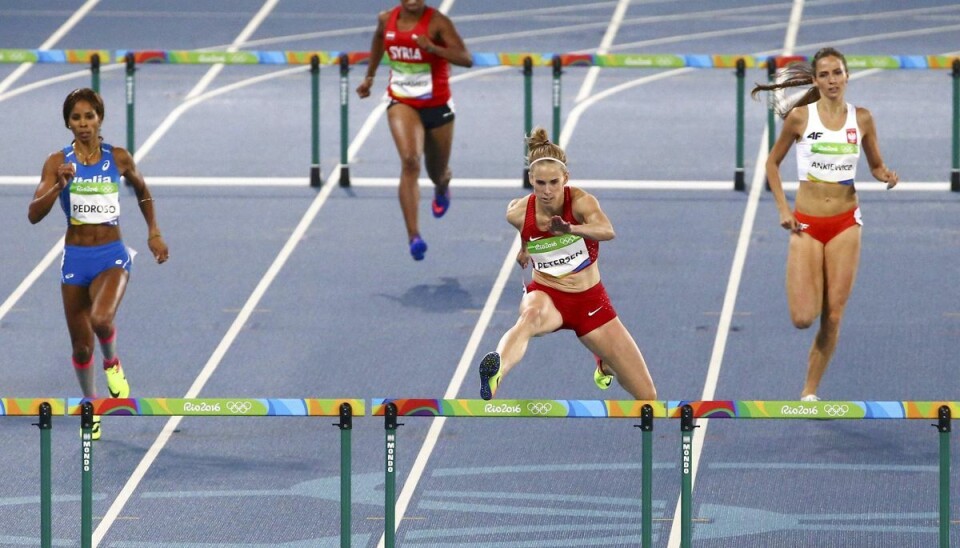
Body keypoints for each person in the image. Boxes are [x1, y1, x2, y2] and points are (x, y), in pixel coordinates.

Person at [752, 47, 898, 401]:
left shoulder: (861, 119)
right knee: (804, 317)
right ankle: (811, 280)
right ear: (816, 80)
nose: (832, 80)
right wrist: (783, 210)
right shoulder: (801, 118)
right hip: (805, 225)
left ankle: (809, 392)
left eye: (837, 73)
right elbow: (772, 164)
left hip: (846, 224)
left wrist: (885, 175)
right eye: (825, 75)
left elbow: (876, 164)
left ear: (847, 76)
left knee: (833, 315)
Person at [28, 88, 169, 439]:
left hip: (111, 256)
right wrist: (58, 185)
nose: (83, 124)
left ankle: (113, 363)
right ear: (68, 123)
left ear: (100, 118)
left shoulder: (117, 157)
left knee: (101, 319)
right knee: (79, 346)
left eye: (89, 116)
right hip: (76, 258)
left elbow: (142, 189)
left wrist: (153, 232)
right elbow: (33, 214)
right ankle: (90, 407)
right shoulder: (56, 162)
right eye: (76, 118)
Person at [478, 127, 657, 401]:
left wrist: (571, 230)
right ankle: (496, 371)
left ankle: (605, 362)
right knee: (529, 318)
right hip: (548, 295)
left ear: (565, 179)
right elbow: (527, 234)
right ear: (531, 180)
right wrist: (524, 249)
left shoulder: (581, 202)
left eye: (553, 182)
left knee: (647, 397)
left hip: (590, 303)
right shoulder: (517, 212)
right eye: (540, 184)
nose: (547, 191)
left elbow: (607, 230)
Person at [355, 0, 472, 261]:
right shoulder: (386, 19)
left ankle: (443, 185)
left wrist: (432, 48)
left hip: (437, 104)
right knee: (410, 161)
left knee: (436, 172)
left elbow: (466, 59)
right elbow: (378, 39)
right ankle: (414, 236)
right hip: (402, 101)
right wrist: (370, 76)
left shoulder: (438, 23)